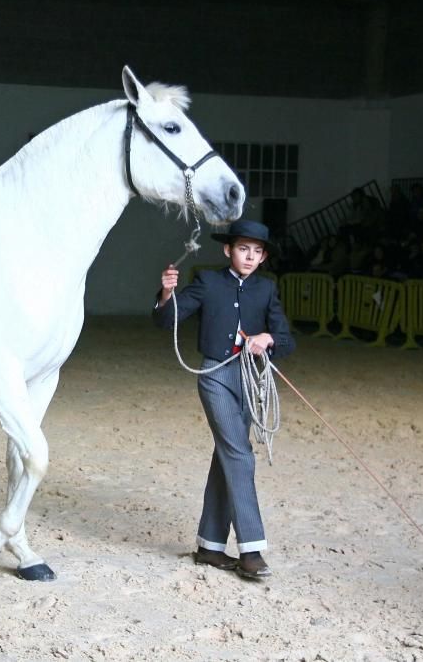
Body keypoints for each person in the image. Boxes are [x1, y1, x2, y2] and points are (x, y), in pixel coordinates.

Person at [152, 220, 295, 580]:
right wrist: (167, 294)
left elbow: (286, 339)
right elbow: (167, 319)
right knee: (240, 454)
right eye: (243, 248)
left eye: (257, 251)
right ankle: (251, 549)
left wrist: (267, 339)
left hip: (250, 377)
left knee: (226, 455)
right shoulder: (208, 282)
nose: (250, 256)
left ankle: (210, 546)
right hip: (215, 374)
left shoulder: (266, 289)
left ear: (263, 257)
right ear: (227, 250)